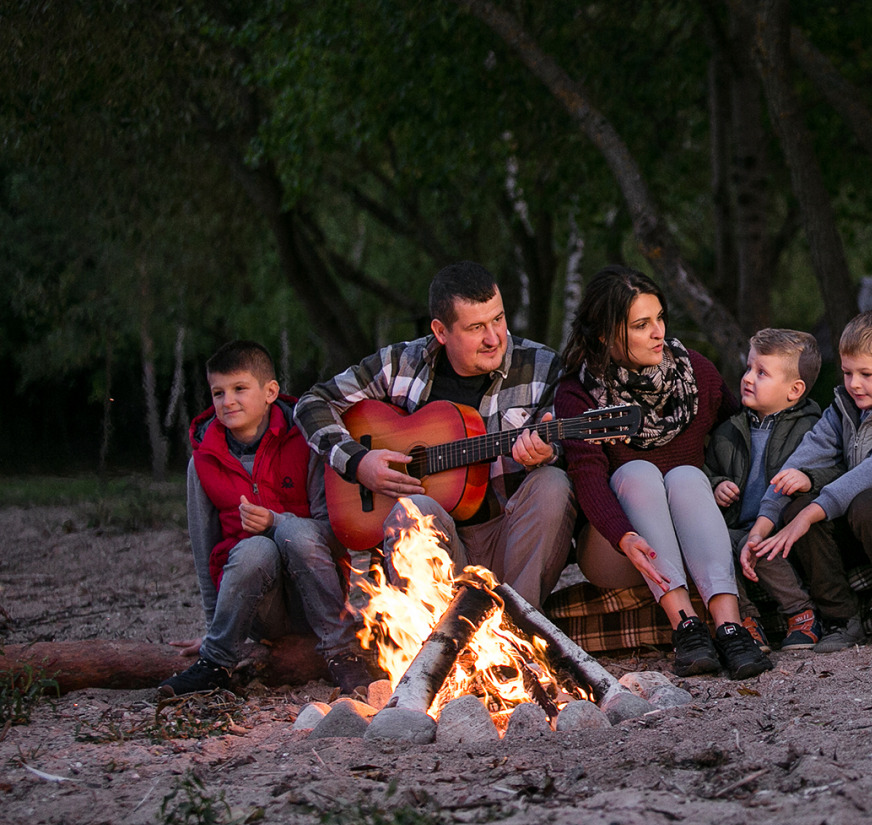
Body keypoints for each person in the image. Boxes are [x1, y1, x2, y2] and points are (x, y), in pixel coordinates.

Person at [294, 262, 576, 608]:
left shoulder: (542, 365)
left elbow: (571, 447)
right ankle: (435, 637)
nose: (494, 338)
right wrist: (358, 462)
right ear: (441, 331)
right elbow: (312, 403)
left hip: (509, 539)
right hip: (437, 548)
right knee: (415, 508)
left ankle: (518, 625)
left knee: (552, 484)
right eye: (476, 327)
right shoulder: (401, 364)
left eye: (498, 320)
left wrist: (550, 454)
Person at [553, 265, 771, 680]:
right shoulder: (579, 393)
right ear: (605, 334)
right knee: (638, 472)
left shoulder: (694, 373)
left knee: (688, 476)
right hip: (619, 547)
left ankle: (729, 628)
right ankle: (686, 628)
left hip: (694, 535)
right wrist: (624, 535)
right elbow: (588, 480)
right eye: (641, 325)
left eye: (660, 319)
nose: (658, 333)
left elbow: (739, 431)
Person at [163, 340, 372, 696]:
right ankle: (215, 663)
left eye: (239, 389)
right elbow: (205, 552)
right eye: (218, 392)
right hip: (263, 609)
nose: (227, 401)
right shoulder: (203, 462)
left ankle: (342, 654)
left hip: (317, 596)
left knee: (293, 533)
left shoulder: (306, 443)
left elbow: (332, 531)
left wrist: (277, 521)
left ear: (270, 391)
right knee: (255, 549)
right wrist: (215, 627)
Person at [747, 310, 872, 651]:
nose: (854, 384)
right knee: (797, 502)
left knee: (865, 500)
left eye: (866, 374)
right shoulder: (841, 409)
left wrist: (810, 515)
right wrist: (762, 527)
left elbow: (866, 476)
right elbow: (801, 462)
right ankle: (840, 617)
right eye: (848, 372)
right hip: (856, 528)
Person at [705, 329, 828, 650]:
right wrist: (716, 485)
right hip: (735, 524)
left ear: (794, 389)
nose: (748, 378)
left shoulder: (812, 428)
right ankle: (745, 620)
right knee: (713, 545)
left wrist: (809, 478)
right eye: (748, 368)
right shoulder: (729, 430)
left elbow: (834, 467)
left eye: (762, 373)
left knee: (757, 546)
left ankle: (801, 613)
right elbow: (706, 469)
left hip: (782, 527)